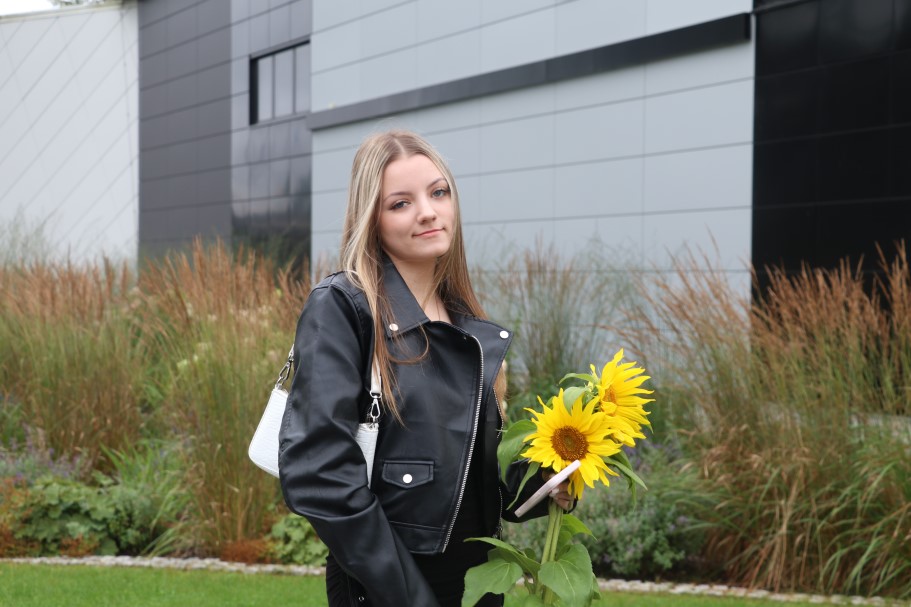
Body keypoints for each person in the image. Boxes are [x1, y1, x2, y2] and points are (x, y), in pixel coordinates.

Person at [278, 130, 572, 607]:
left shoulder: (467, 325)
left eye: (439, 192)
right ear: (371, 219)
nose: (429, 212)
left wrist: (549, 482)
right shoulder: (345, 308)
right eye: (401, 203)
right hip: (387, 588)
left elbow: (472, 482)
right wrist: (410, 596)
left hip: (476, 586)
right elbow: (320, 475)